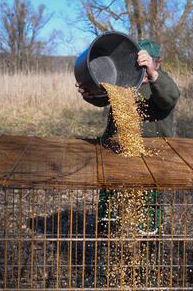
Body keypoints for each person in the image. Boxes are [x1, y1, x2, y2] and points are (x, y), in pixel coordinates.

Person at [76, 38, 180, 234]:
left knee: (148, 203)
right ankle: (108, 231)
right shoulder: (126, 80)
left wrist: (152, 73)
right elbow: (103, 98)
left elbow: (171, 97)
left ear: (157, 62)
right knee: (109, 199)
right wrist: (88, 93)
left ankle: (147, 239)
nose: (141, 68)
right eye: (137, 63)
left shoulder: (161, 81)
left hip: (150, 155)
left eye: (148, 62)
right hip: (117, 149)